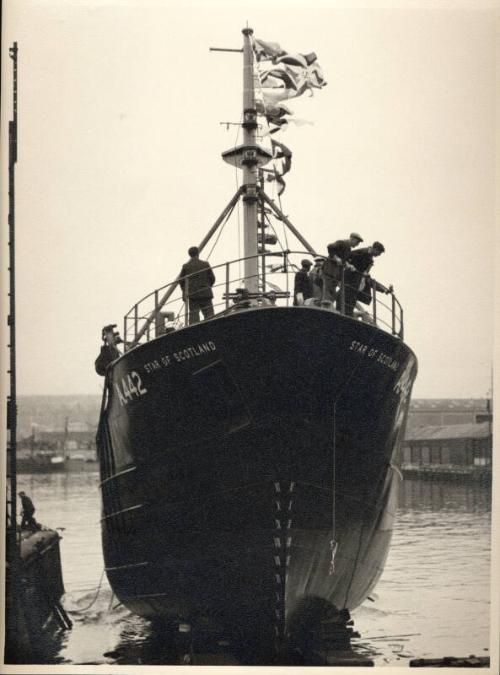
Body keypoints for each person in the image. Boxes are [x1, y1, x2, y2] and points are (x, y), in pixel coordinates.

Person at [340, 241, 386, 316]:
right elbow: (347, 256)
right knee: (345, 296)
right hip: (350, 278)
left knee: (351, 299)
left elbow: (369, 280)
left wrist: (384, 289)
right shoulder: (362, 252)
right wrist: (349, 265)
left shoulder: (370, 259)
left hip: (356, 282)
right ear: (375, 249)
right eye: (379, 253)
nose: (379, 255)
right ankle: (344, 313)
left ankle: (347, 314)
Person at [322, 233, 364, 303]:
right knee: (328, 289)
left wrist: (349, 265)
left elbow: (344, 260)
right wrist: (336, 258)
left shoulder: (348, 248)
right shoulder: (342, 243)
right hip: (329, 270)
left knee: (332, 291)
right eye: (357, 242)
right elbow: (330, 247)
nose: (357, 245)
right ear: (352, 239)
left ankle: (328, 305)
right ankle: (325, 305)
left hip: (335, 273)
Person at [179, 246, 216, 325]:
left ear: (189, 254)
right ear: (198, 253)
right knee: (210, 317)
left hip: (193, 295)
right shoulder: (205, 264)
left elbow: (181, 280)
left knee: (194, 319)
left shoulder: (186, 266)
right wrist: (207, 287)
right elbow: (212, 278)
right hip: (205, 293)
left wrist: (184, 292)